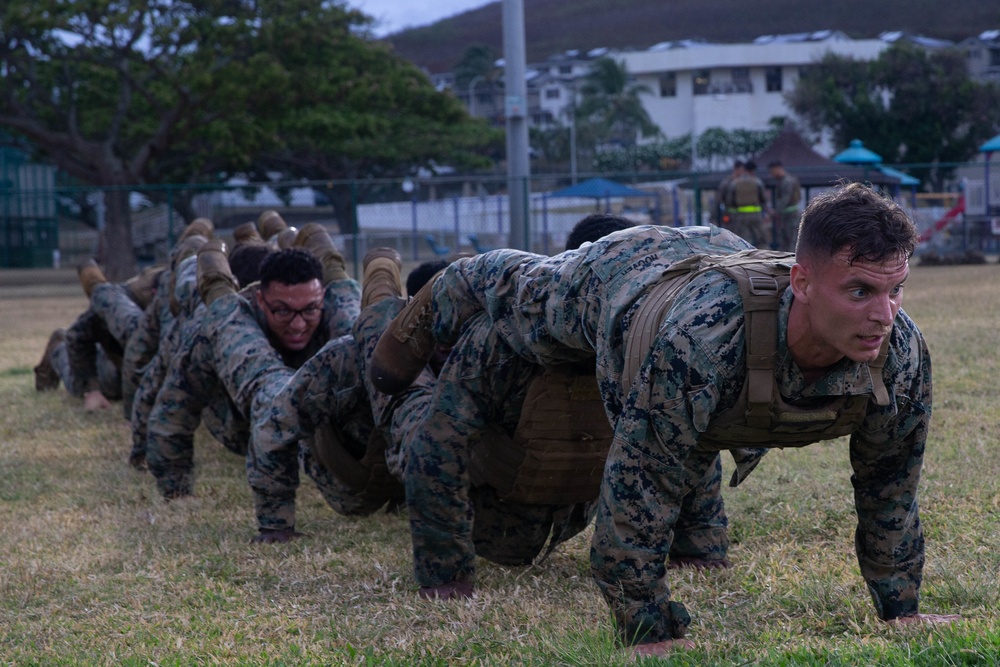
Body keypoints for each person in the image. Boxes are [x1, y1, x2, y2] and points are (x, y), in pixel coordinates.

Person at [370, 183, 959, 654]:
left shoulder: (900, 355)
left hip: (723, 255)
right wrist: (646, 627)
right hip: (628, 272)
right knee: (519, 293)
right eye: (859, 291)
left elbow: (890, 491)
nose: (883, 314)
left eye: (896, 290)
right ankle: (417, 316)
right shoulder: (702, 343)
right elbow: (639, 489)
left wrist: (900, 609)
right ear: (803, 283)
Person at [144, 228, 362, 525]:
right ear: (261, 300)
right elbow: (173, 409)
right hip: (236, 419)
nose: (298, 325)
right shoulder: (216, 332)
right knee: (207, 304)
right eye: (283, 312)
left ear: (322, 297)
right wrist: (173, 487)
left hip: (307, 411)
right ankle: (197, 260)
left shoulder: (335, 309)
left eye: (310, 310)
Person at [724, 159, 767, 246]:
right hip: (756, 215)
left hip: (741, 215)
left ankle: (746, 258)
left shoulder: (735, 183)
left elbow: (729, 201)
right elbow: (763, 198)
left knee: (744, 241)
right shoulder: (757, 182)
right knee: (761, 239)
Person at [768, 160, 803, 251]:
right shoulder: (786, 180)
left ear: (778, 168)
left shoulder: (787, 181)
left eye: (772, 171)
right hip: (786, 214)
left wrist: (776, 211)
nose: (772, 174)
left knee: (790, 240)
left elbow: (785, 199)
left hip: (790, 215)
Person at [716, 159, 744, 226]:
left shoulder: (744, 183)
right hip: (730, 215)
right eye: (741, 170)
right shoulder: (727, 182)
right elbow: (718, 199)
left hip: (742, 216)